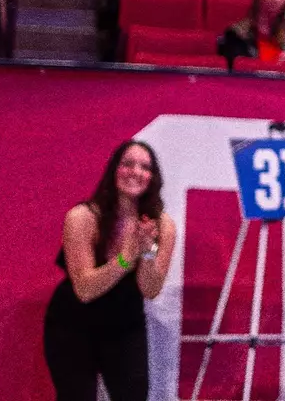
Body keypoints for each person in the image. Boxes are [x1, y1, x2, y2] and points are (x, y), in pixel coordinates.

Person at [43, 140, 176, 401]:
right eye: (127, 164)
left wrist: (147, 251)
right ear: (114, 169)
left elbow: (150, 290)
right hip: (73, 325)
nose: (135, 171)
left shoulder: (162, 225)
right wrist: (127, 258)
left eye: (144, 167)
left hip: (125, 325)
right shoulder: (82, 217)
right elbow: (85, 290)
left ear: (153, 177)